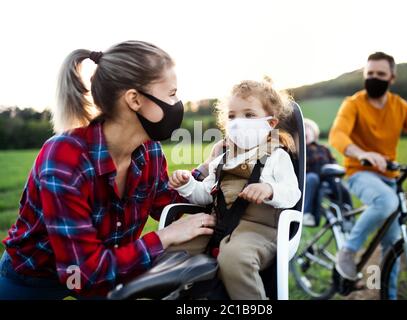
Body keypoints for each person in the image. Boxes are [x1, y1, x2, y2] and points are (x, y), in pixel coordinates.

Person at [0, 40, 217, 299]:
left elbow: (164, 203)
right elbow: (81, 275)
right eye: (171, 94)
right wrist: (163, 238)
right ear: (135, 99)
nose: (177, 103)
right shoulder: (64, 159)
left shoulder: (150, 151)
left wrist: (207, 171)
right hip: (35, 276)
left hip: (110, 269)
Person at [329, 51, 407, 299]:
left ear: (392, 77)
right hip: (359, 172)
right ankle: (348, 252)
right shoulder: (353, 104)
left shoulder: (399, 106)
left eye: (380, 74)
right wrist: (362, 153)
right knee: (386, 201)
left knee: (392, 247)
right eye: (369, 73)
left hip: (389, 176)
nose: (374, 78)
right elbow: (337, 135)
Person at [168, 80, 301, 299]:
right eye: (232, 116)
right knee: (176, 247)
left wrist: (269, 189)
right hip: (220, 225)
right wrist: (188, 185)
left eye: (249, 115)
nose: (239, 122)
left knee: (234, 258)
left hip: (260, 230)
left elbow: (292, 193)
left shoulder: (277, 156)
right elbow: (204, 195)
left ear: (271, 122)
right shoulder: (222, 160)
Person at [302, 118, 337, 227]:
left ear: (314, 133)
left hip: (327, 176)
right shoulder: (301, 149)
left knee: (339, 183)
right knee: (312, 178)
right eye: (303, 129)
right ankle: (306, 214)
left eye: (308, 128)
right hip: (310, 177)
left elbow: (333, 161)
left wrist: (335, 168)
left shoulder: (323, 148)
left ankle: (344, 211)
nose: (305, 131)